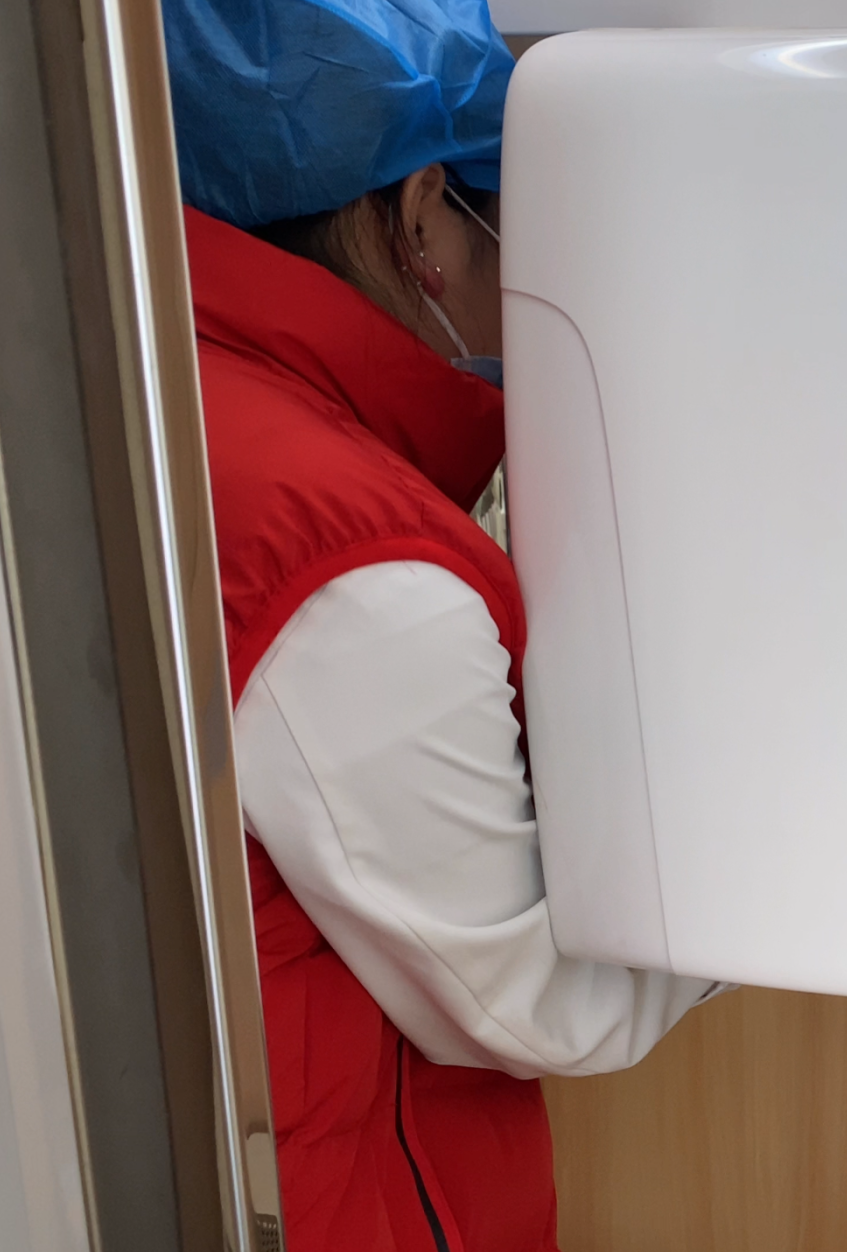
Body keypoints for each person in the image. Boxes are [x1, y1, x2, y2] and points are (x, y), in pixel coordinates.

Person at [164, 0, 724, 1246]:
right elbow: (541, 991)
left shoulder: (188, 403)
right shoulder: (352, 564)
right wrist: (777, 882)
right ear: (422, 221)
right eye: (522, 232)